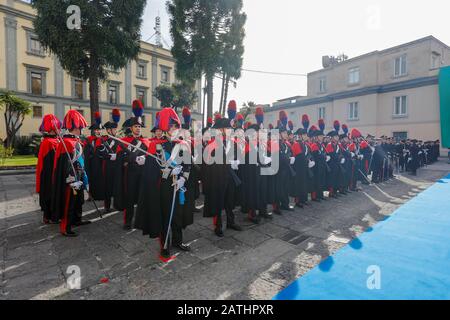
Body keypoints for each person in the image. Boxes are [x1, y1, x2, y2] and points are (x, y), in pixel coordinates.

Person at [135, 107, 194, 262]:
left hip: (179, 186)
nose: (175, 129)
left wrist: (183, 178)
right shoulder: (156, 145)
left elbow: (188, 165)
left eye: (176, 126)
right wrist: (168, 172)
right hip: (164, 187)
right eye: (173, 126)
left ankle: (177, 240)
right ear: (166, 128)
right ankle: (165, 245)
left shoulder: (183, 144)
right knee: (166, 216)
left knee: (178, 215)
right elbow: (153, 171)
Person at [51, 110, 91, 237]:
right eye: (81, 128)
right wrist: (72, 180)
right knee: (69, 202)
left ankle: (77, 219)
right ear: (76, 128)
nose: (83, 130)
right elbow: (65, 165)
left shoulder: (77, 141)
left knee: (78, 200)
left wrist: (83, 177)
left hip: (79, 175)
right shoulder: (66, 143)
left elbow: (81, 161)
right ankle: (65, 227)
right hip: (71, 179)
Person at [114, 100, 150, 230]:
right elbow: (119, 158)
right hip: (130, 173)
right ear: (131, 128)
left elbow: (151, 156)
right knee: (129, 198)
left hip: (143, 172)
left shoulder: (146, 141)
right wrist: (128, 159)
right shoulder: (124, 141)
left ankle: (142, 220)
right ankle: (128, 221)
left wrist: (144, 158)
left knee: (142, 197)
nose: (138, 128)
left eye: (139, 126)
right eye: (136, 126)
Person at [36, 114, 61, 224]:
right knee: (49, 194)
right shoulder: (47, 143)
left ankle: (54, 215)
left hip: (54, 172)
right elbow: (47, 162)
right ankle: (48, 216)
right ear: (52, 129)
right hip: (48, 173)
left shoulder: (56, 140)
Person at [97, 108, 121, 213]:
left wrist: (118, 156)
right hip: (107, 166)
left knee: (117, 185)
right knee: (107, 186)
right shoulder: (103, 140)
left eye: (116, 129)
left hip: (117, 166)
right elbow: (100, 152)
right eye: (114, 129)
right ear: (108, 130)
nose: (116, 131)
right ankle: (107, 206)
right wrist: (109, 156)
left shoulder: (119, 140)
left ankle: (116, 204)